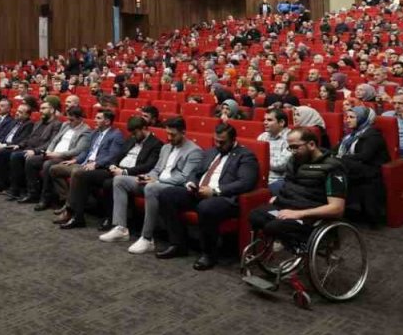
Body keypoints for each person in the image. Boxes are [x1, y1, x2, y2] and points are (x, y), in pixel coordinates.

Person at [156, 122, 260, 270]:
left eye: (222, 142)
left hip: (223, 198)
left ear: (233, 139)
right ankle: (178, 244)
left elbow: (245, 183)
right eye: (216, 140)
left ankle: (209, 254)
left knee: (206, 207)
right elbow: (196, 172)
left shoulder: (246, 156)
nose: (218, 144)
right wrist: (191, 182)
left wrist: (216, 191)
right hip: (200, 192)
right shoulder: (211, 152)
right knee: (167, 195)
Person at [100, 116, 205, 253]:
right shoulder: (166, 147)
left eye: (173, 135)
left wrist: (157, 181)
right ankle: (121, 228)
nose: (169, 137)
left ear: (183, 132)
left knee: (151, 187)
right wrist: (147, 176)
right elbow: (157, 169)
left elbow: (184, 177)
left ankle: (147, 238)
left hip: (172, 187)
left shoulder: (194, 151)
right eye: (167, 133)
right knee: (119, 180)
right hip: (156, 181)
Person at [56, 116, 161, 229]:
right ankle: (77, 216)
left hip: (130, 174)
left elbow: (148, 166)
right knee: (81, 175)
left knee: (108, 183)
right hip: (116, 170)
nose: (133, 136)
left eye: (135, 132)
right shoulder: (132, 139)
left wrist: (124, 171)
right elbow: (119, 154)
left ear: (144, 128)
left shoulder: (156, 144)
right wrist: (113, 165)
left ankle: (110, 218)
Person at [247, 127, 347, 246]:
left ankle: (295, 245)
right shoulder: (294, 160)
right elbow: (289, 185)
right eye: (290, 147)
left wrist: (299, 214)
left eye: (296, 147)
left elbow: (337, 209)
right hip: (288, 208)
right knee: (255, 215)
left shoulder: (332, 168)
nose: (292, 151)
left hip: (310, 218)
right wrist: (279, 198)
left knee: (274, 227)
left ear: (311, 144)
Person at [41, 110, 125, 212]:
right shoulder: (95, 133)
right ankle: (68, 200)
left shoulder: (116, 135)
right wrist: (75, 160)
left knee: (76, 172)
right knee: (54, 169)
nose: (95, 120)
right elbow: (86, 151)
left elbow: (113, 156)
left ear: (107, 122)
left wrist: (96, 164)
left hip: (98, 167)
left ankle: (69, 208)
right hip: (84, 163)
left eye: (98, 118)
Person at [22, 106, 93, 206]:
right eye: (68, 118)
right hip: (52, 153)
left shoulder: (86, 130)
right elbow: (55, 140)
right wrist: (49, 151)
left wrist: (58, 154)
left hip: (65, 157)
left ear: (80, 118)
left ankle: (45, 198)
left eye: (72, 119)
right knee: (31, 160)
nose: (69, 121)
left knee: (47, 165)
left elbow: (78, 150)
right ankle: (32, 193)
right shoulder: (66, 125)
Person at [335, 105, 389, 223]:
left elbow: (365, 156)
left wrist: (341, 157)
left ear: (363, 119)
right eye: (347, 117)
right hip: (355, 166)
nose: (347, 120)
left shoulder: (373, 134)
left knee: (336, 164)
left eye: (352, 117)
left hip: (369, 169)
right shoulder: (351, 135)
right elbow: (336, 150)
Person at [259, 108, 292, 195]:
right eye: (264, 120)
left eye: (269, 120)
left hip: (279, 180)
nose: (265, 122)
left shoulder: (291, 138)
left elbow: (280, 165)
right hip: (260, 176)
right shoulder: (263, 136)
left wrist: (261, 161)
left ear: (281, 122)